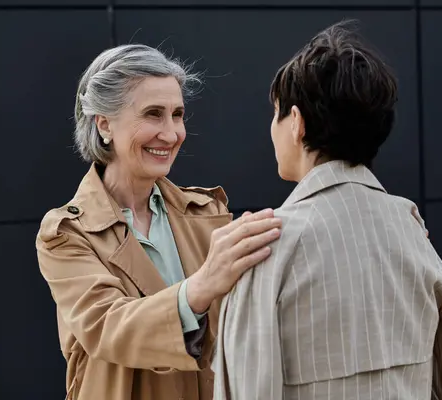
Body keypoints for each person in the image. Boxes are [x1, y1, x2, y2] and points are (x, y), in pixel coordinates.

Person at [213, 20, 442, 400]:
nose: (272, 128)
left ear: (297, 123)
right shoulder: (412, 230)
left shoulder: (266, 244)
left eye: (276, 114)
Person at [35, 44, 282, 400]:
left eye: (177, 115)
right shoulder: (66, 233)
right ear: (103, 124)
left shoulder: (207, 213)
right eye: (153, 114)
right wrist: (201, 287)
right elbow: (106, 327)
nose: (171, 134)